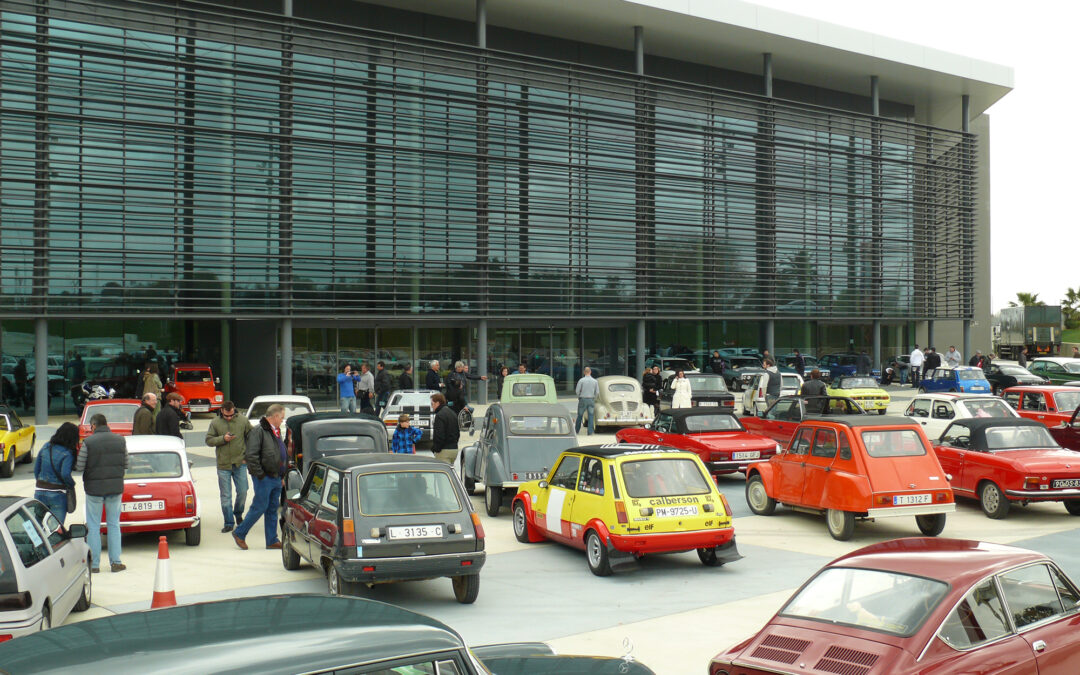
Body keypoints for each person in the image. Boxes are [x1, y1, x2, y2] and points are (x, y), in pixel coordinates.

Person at [76, 414, 129, 573]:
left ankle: (94, 564)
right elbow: (126, 463)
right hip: (115, 488)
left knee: (93, 526)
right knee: (114, 524)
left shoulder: (88, 442)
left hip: (94, 490)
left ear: (93, 426)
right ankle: (116, 562)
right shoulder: (120, 440)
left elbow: (79, 466)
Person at [233, 404, 286, 550]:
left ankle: (272, 540)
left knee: (272, 508)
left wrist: (281, 475)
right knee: (260, 506)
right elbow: (251, 455)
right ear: (275, 416)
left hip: (275, 477)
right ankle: (239, 533)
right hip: (265, 477)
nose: (282, 420)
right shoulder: (259, 431)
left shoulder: (276, 431)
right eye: (281, 417)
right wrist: (260, 475)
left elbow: (278, 452)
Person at [206, 401, 250, 533]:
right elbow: (208, 440)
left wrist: (246, 457)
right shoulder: (215, 422)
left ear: (234, 410)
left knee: (243, 491)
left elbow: (252, 437)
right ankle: (229, 522)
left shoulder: (243, 420)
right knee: (226, 496)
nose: (229, 418)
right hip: (223, 464)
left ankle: (238, 513)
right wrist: (223, 439)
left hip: (239, 463)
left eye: (231, 415)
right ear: (222, 411)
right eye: (226, 416)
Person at [33, 422, 78, 525]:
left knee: (37, 526)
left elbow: (36, 470)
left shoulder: (46, 446)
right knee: (55, 529)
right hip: (57, 494)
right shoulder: (68, 453)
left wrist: (42, 483)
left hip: (39, 492)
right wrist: (71, 484)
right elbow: (65, 474)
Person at [429, 393, 460, 463]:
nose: (432, 406)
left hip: (444, 451)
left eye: (432, 404)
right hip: (454, 449)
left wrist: (436, 449)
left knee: (441, 472)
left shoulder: (440, 415)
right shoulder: (452, 413)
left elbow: (439, 435)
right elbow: (457, 433)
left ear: (437, 403)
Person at [575, 367, 599, 435]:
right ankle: (590, 432)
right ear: (590, 372)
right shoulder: (595, 381)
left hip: (583, 399)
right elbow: (597, 392)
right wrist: (594, 398)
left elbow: (577, 391)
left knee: (580, 415)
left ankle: (577, 430)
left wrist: (579, 397)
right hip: (591, 399)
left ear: (584, 372)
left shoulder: (581, 380)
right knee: (591, 415)